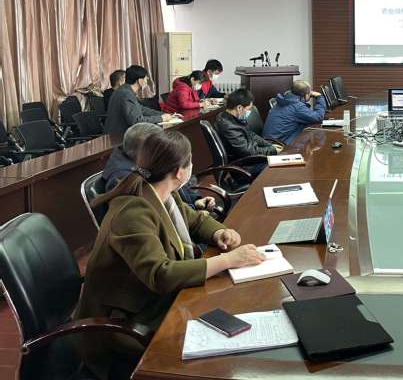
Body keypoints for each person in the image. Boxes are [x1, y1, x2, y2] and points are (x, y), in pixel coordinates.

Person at [74, 131, 267, 379]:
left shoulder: (162, 192)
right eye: (190, 162)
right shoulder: (132, 211)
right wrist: (227, 260)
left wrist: (220, 232)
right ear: (179, 172)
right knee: (219, 352)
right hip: (126, 319)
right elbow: (160, 274)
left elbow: (194, 220)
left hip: (153, 298)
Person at [100, 123, 216, 213]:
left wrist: (195, 200)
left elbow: (172, 186)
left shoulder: (144, 162)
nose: (164, 150)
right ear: (143, 150)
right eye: (158, 147)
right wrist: (193, 209)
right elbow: (160, 211)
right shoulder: (122, 178)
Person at [215, 89, 281, 178]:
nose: (249, 112)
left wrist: (270, 145)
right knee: (280, 166)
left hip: (250, 159)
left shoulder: (234, 117)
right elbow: (248, 152)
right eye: (248, 109)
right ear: (239, 108)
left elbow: (251, 134)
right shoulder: (229, 126)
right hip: (244, 168)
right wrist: (272, 150)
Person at [105, 65, 174, 134]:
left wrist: (164, 114)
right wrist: (161, 118)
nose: (147, 80)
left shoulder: (124, 90)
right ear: (140, 80)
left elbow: (141, 109)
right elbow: (136, 121)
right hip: (119, 136)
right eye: (146, 78)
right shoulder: (126, 94)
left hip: (118, 132)